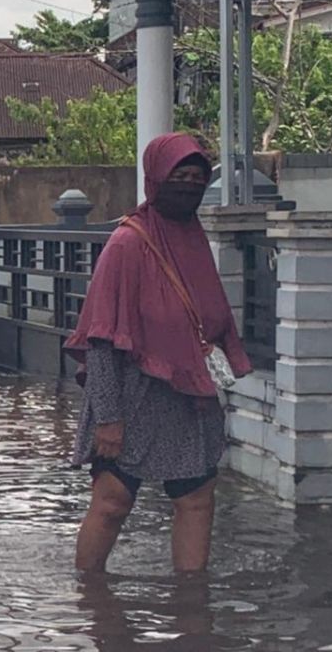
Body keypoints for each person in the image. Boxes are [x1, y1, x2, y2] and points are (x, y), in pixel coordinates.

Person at [65, 133, 252, 575]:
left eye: (196, 177)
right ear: (155, 179)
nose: (187, 185)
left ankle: (191, 609)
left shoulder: (193, 240)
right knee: (112, 502)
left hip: (187, 396)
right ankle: (90, 599)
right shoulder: (127, 244)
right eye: (178, 176)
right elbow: (102, 338)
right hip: (132, 396)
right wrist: (108, 417)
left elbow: (211, 316)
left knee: (196, 500)